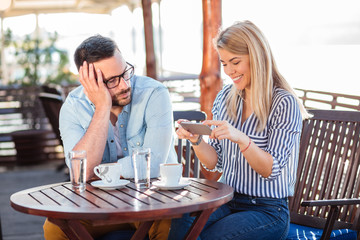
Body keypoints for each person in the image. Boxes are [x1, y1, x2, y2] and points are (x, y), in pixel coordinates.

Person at [168, 20, 309, 240]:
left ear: (257, 56)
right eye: (224, 63)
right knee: (183, 221)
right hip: (226, 198)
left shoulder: (283, 103)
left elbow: (271, 171)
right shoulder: (225, 97)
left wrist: (242, 139)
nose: (229, 71)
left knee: (208, 237)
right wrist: (196, 141)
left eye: (235, 62)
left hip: (267, 210)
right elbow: (215, 162)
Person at [43, 34, 177, 240]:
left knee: (168, 220)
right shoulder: (73, 107)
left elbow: (155, 163)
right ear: (89, 83)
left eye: (125, 72)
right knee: (55, 228)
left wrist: (101, 172)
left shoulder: (154, 94)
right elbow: (81, 172)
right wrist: (102, 106)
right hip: (98, 207)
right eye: (112, 80)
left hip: (151, 203)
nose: (124, 85)